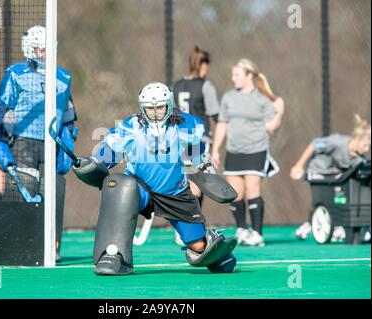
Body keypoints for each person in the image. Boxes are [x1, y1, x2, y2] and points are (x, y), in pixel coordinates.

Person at [72, 82, 238, 276]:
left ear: (169, 105)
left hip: (175, 193)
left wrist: (207, 173)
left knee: (199, 247)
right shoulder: (131, 127)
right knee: (119, 186)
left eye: (160, 107)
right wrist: (93, 163)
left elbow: (197, 157)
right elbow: (108, 153)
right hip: (140, 190)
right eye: (150, 109)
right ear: (142, 108)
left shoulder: (186, 125)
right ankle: (114, 255)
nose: (155, 113)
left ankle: (212, 245)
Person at [0, 25, 78, 262]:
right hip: (24, 143)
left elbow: (69, 114)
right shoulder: (16, 73)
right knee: (23, 191)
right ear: (30, 49)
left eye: (48, 50)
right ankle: (17, 244)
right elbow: (2, 107)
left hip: (53, 144)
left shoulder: (64, 76)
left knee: (55, 192)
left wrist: (69, 142)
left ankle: (52, 246)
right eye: (40, 50)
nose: (45, 55)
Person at [212, 58, 285, 247]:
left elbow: (272, 126)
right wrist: (215, 150)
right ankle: (242, 229)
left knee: (253, 188)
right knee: (235, 193)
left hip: (256, 149)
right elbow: (222, 123)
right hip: (234, 151)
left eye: (237, 74)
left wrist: (279, 113)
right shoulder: (228, 97)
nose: (233, 78)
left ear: (249, 76)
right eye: (233, 74)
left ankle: (258, 233)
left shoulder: (262, 99)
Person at [290, 114, 371, 241]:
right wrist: (298, 165)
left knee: (340, 196)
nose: (366, 149)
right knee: (321, 199)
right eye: (365, 145)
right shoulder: (337, 142)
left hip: (335, 174)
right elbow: (314, 144)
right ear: (357, 139)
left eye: (369, 147)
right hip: (318, 170)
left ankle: (338, 224)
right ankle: (309, 224)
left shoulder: (359, 158)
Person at [173, 46, 219, 207]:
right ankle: (192, 223)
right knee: (198, 183)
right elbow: (217, 115)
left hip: (179, 140)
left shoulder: (176, 86)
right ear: (202, 65)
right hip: (200, 141)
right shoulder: (205, 86)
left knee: (184, 181)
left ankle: (184, 224)